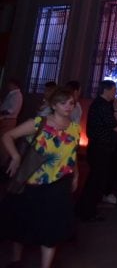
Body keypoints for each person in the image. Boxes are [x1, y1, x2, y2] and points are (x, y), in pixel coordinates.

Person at [0, 86, 80, 268]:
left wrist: (75, 175)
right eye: (63, 103)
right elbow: (7, 135)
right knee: (22, 223)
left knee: (52, 228)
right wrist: (15, 156)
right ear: (53, 105)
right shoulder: (39, 123)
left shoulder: (75, 128)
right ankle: (16, 260)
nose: (69, 106)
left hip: (59, 184)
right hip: (33, 183)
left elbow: (72, 154)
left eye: (71, 103)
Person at [77, 79, 117, 222]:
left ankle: (86, 208)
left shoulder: (98, 104)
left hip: (98, 146)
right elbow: (115, 126)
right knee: (96, 180)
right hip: (100, 148)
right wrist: (115, 109)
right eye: (114, 90)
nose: (115, 93)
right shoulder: (102, 105)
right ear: (106, 90)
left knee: (95, 179)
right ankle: (87, 211)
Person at [0, 77, 23, 170]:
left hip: (9, 121)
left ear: (13, 84)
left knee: (5, 142)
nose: (8, 86)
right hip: (5, 120)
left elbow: (12, 110)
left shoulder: (17, 95)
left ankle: (3, 164)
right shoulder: (12, 94)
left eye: (9, 84)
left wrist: (2, 112)